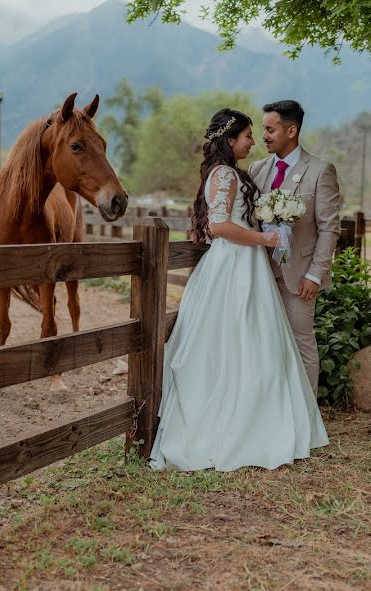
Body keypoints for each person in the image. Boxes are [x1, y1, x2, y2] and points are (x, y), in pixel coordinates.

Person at [149, 108, 328, 472]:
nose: (254, 141)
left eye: (258, 132)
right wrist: (265, 237)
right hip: (234, 265)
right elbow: (218, 226)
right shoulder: (227, 174)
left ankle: (259, 419)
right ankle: (238, 427)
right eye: (248, 135)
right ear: (230, 141)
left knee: (250, 342)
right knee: (238, 342)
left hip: (244, 264)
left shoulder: (231, 173)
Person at [249, 100, 342, 397]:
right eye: (263, 129)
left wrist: (315, 275)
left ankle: (307, 420)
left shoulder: (320, 170)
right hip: (259, 272)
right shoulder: (257, 169)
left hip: (299, 277)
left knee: (302, 343)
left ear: (292, 130)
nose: (263, 135)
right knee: (263, 342)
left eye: (270, 129)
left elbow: (329, 227)